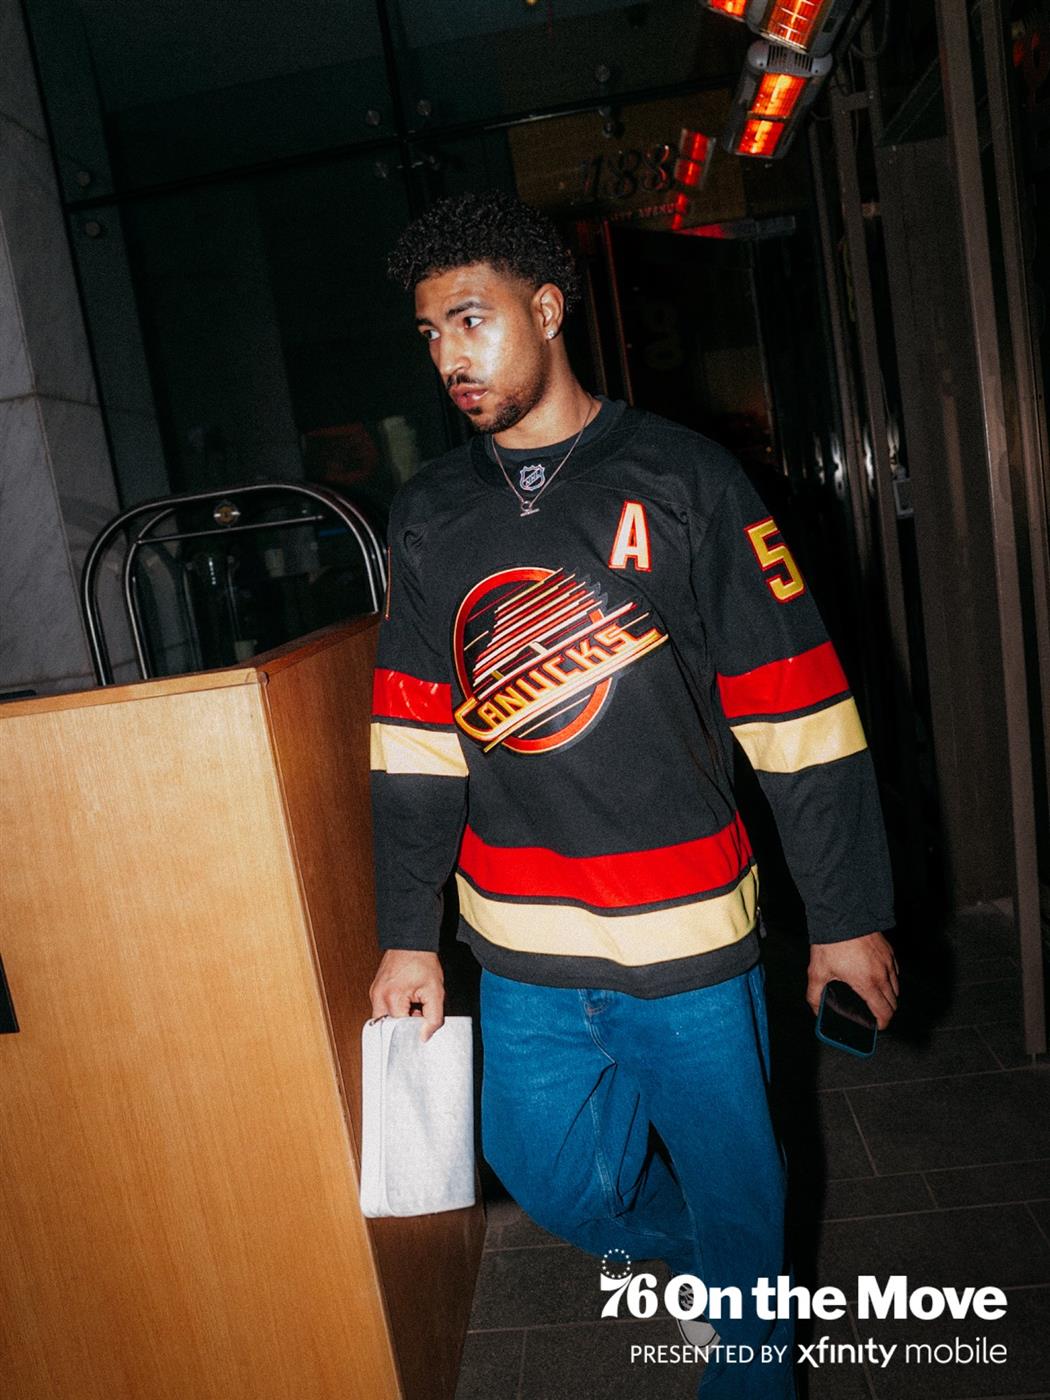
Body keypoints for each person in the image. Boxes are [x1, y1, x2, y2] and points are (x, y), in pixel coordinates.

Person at [368, 190, 898, 1398]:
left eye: (471, 319)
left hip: (689, 937)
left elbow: (799, 716)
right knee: (549, 1174)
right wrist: (408, 931)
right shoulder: (430, 511)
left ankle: (744, 1324)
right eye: (431, 333)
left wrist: (846, 914)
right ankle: (704, 1257)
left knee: (744, 1203)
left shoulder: (685, 477)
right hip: (522, 946)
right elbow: (411, 741)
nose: (449, 356)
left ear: (548, 309)